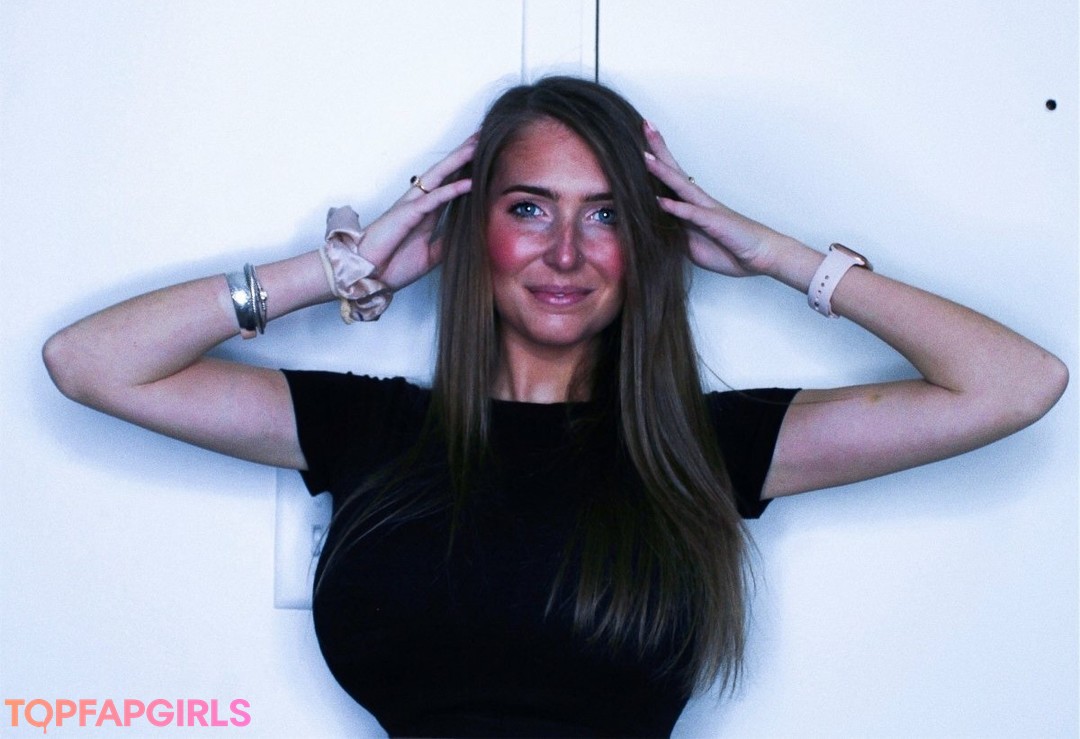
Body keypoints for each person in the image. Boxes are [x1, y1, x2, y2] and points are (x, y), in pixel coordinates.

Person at [42, 76, 1068, 737]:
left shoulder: (701, 448)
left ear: (648, 243)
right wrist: (339, 269)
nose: (566, 254)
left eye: (607, 215)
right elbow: (90, 363)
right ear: (468, 230)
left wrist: (776, 254)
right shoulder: (370, 432)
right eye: (529, 208)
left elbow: (1015, 383)